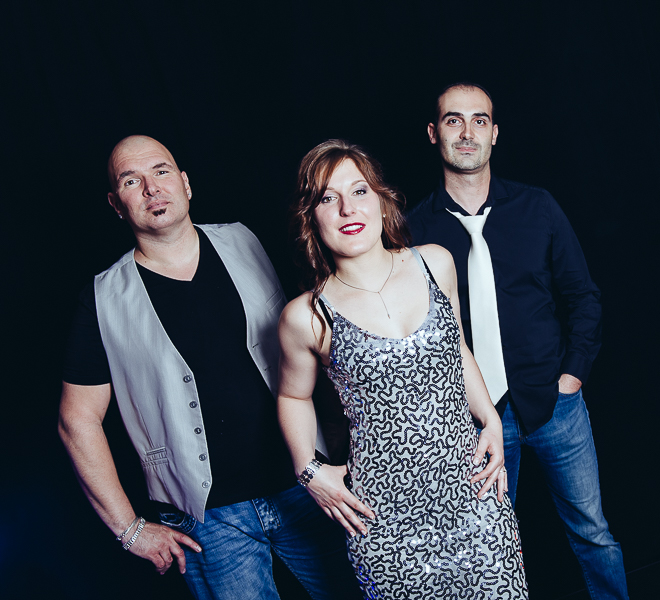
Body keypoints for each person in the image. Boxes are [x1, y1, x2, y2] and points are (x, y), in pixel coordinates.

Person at [58, 135, 360, 600]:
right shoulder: (101, 300)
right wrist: (129, 529)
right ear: (117, 204)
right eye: (131, 181)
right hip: (208, 522)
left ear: (185, 183)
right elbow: (76, 420)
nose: (151, 188)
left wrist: (343, 442)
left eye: (161, 172)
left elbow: (321, 334)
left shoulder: (245, 238)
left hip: (306, 484)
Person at [277, 139, 528, 598]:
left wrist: (490, 418)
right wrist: (308, 470)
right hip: (384, 522)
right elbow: (292, 395)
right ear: (311, 217)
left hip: (473, 494)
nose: (347, 209)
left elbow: (458, 350)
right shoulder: (306, 316)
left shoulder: (435, 262)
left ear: (381, 199)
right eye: (328, 199)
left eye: (359, 191)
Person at [407, 83, 629, 599]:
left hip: (556, 407)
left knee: (593, 534)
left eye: (479, 120)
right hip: (473, 421)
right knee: (493, 549)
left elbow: (583, 296)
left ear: (495, 134)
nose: (467, 132)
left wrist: (571, 377)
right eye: (454, 120)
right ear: (434, 133)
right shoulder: (412, 231)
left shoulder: (537, 207)